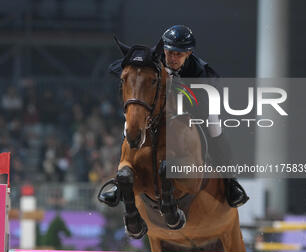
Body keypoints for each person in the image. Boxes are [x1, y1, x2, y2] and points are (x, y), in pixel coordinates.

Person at [99, 25, 249, 208]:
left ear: (188, 53)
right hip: (159, 109)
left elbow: (200, 99)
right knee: (129, 124)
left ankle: (230, 182)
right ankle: (119, 182)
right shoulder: (155, 59)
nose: (172, 58)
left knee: (214, 126)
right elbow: (120, 69)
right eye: (170, 53)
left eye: (179, 54)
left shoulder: (198, 71)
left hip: (197, 104)